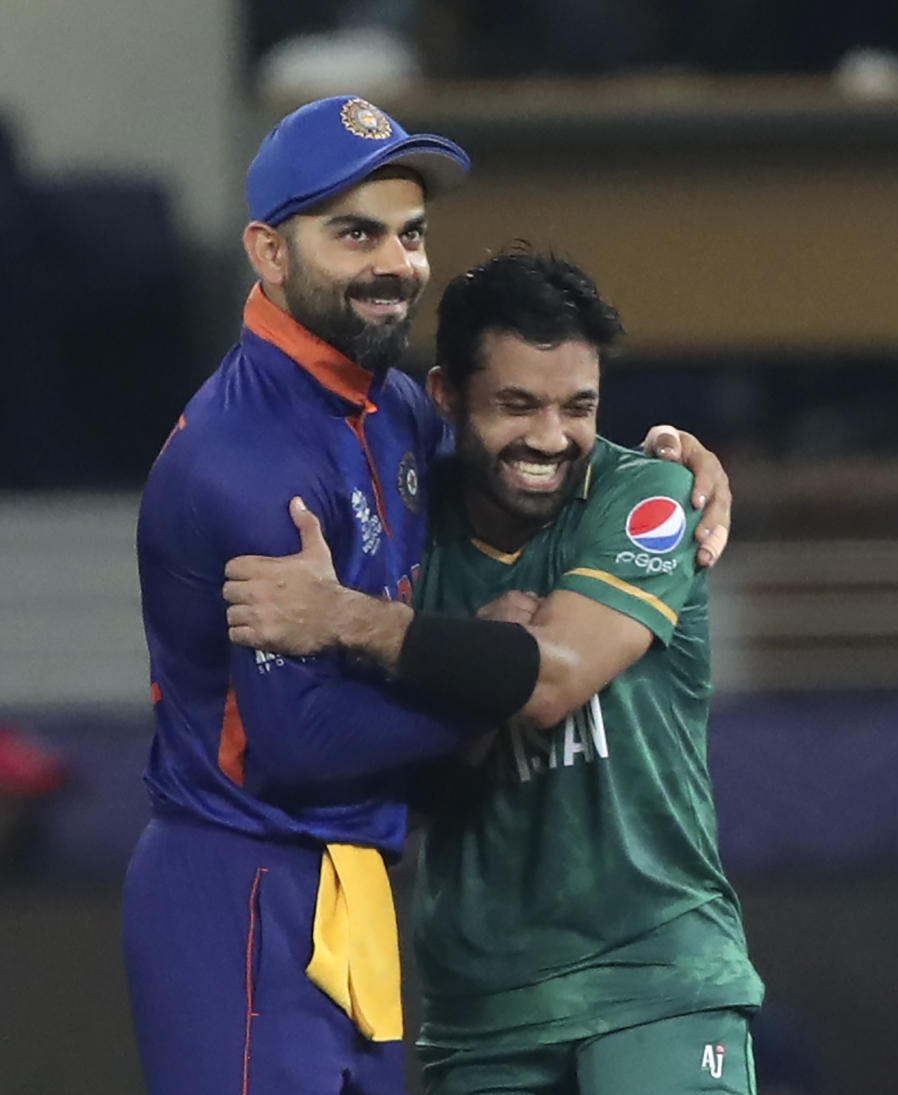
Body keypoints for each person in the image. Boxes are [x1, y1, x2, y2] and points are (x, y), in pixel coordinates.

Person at [127, 90, 731, 1094]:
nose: (393, 265)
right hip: (240, 882)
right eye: (354, 233)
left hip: (352, 889)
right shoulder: (240, 456)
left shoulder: (393, 411)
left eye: (410, 235)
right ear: (269, 253)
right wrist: (477, 691)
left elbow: (528, 444)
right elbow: (299, 739)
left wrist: (662, 466)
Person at [222, 250, 762, 1095]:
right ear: (447, 397)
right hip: (478, 1012)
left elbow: (552, 679)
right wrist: (466, 686)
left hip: (657, 978)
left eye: (577, 406)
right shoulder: (403, 538)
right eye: (517, 404)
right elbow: (396, 789)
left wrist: (346, 620)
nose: (551, 437)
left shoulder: (647, 496)